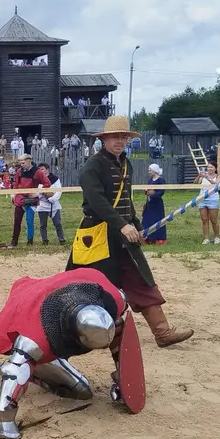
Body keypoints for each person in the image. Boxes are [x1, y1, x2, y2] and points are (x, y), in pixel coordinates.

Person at [0, 269, 137, 439]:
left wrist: (125, 379)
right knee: (78, 389)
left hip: (59, 289)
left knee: (82, 389)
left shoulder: (112, 298)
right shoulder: (37, 337)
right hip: (29, 302)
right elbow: (15, 371)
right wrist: (6, 423)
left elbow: (118, 332)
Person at [66, 115, 193, 348]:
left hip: (125, 234)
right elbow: (97, 201)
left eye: (123, 137)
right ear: (104, 139)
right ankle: (81, 332)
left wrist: (137, 225)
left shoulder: (126, 163)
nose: (120, 141)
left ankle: (162, 333)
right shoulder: (93, 166)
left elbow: (126, 200)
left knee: (140, 279)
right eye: (115, 137)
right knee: (88, 286)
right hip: (98, 234)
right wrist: (122, 224)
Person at [8, 153, 51, 248]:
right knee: (17, 221)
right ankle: (14, 242)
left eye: (23, 163)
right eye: (20, 163)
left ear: (28, 161)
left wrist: (38, 193)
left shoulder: (38, 172)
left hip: (31, 200)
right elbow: (16, 183)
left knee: (29, 221)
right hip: (20, 199)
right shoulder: (19, 171)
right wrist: (13, 194)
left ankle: (30, 241)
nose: (21, 165)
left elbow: (47, 183)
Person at [33, 166, 65, 244]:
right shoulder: (37, 181)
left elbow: (59, 191)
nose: (41, 171)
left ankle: (61, 239)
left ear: (47, 170)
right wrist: (42, 194)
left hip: (54, 205)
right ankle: (45, 240)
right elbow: (36, 193)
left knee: (57, 223)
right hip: (42, 205)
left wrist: (52, 198)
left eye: (42, 169)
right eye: (39, 169)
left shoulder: (55, 179)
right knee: (43, 225)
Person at [141, 164, 167, 244]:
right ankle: (148, 238)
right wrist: (147, 192)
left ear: (155, 170)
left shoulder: (161, 180)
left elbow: (161, 192)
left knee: (157, 220)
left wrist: (153, 194)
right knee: (147, 220)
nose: (149, 172)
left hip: (157, 204)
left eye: (150, 170)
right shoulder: (150, 180)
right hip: (149, 204)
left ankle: (159, 238)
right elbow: (148, 190)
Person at [198, 163, 220, 245]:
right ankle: (206, 238)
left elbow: (217, 185)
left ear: (215, 168)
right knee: (204, 220)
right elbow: (195, 183)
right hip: (202, 199)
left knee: (214, 220)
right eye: (208, 167)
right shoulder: (203, 175)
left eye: (211, 167)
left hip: (213, 199)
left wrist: (208, 178)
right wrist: (199, 176)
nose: (209, 168)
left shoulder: (218, 176)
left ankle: (217, 237)